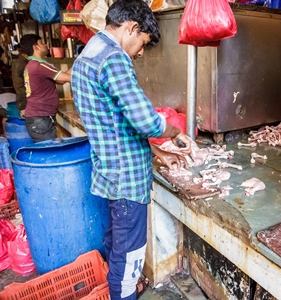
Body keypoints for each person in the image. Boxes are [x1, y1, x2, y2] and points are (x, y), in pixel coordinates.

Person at [70, 1, 192, 299]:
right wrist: (177, 133)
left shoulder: (89, 53)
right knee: (130, 258)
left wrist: (157, 154)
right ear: (131, 28)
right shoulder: (113, 58)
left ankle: (121, 286)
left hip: (111, 173)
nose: (139, 52)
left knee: (117, 246)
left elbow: (116, 126)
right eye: (142, 43)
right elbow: (145, 121)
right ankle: (123, 293)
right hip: (127, 182)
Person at [21, 34, 72, 142]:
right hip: (41, 119)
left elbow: (60, 80)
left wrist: (77, 62)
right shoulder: (39, 65)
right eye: (42, 43)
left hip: (38, 118)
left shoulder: (31, 65)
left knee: (47, 151)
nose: (45, 44)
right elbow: (68, 78)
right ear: (36, 47)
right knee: (50, 152)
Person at [11, 45, 29, 117]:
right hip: (24, 101)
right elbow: (19, 85)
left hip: (25, 100)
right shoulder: (21, 64)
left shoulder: (24, 62)